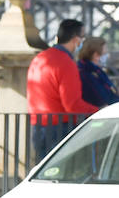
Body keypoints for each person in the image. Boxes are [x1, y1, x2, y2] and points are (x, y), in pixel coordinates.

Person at [27, 19, 94, 163]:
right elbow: (72, 105)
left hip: (38, 126)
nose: (82, 41)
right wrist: (98, 110)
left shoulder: (39, 58)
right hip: (59, 128)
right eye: (82, 37)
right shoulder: (65, 63)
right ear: (76, 39)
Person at [77, 36, 119, 108]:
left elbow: (109, 96)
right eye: (105, 53)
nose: (108, 56)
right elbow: (103, 102)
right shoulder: (87, 75)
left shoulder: (97, 72)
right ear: (96, 55)